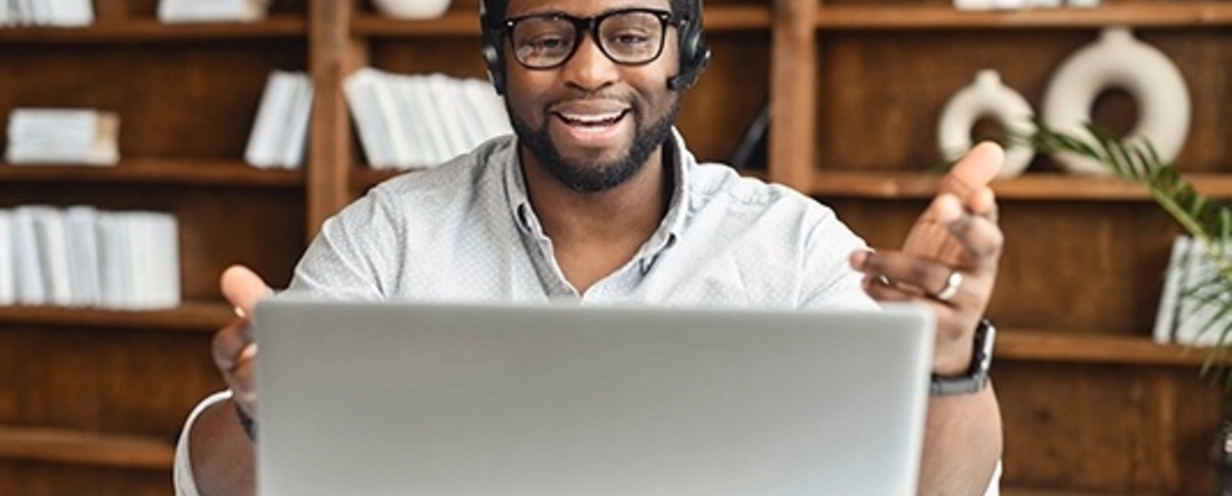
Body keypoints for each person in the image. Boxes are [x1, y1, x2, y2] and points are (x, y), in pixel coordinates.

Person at [173, 0, 1005, 494]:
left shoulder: (792, 246)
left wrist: (950, 360)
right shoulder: (387, 236)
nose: (589, 71)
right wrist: (263, 420)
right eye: (545, 36)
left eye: (631, 33)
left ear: (688, 52)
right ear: (499, 60)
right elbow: (211, 478)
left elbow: (939, 491)